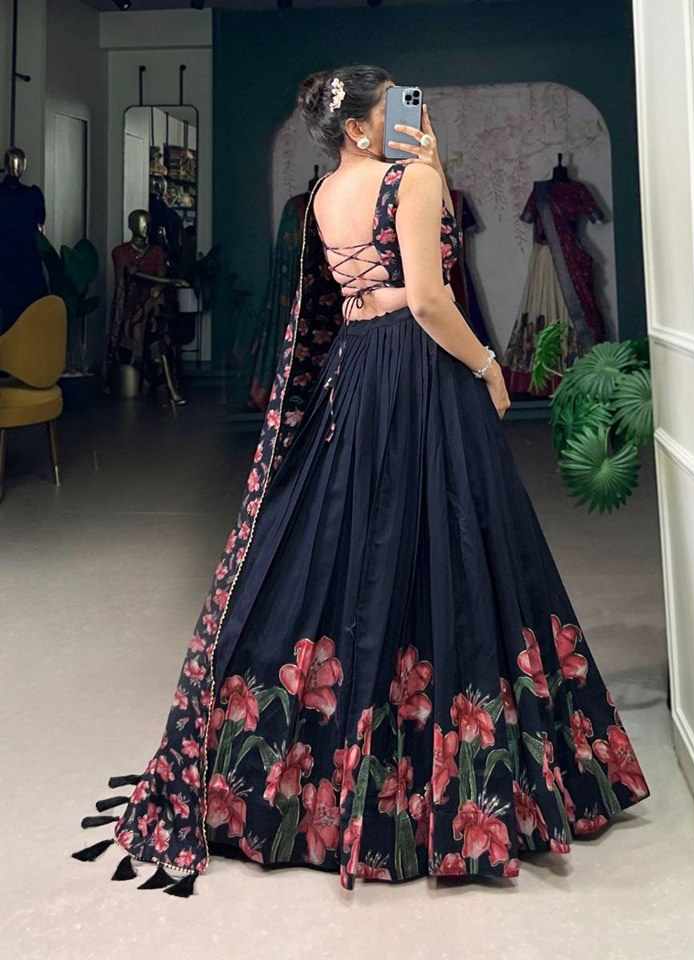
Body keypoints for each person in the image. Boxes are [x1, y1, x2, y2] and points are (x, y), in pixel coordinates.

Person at [73, 65, 649, 895]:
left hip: (356, 370)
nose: (409, 116)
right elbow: (430, 300)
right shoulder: (408, 181)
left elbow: (357, 290)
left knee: (351, 537)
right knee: (454, 534)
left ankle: (318, 762)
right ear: (356, 127)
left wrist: (432, 172)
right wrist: (490, 365)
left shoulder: (321, 197)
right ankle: (460, 774)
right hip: (419, 369)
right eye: (393, 109)